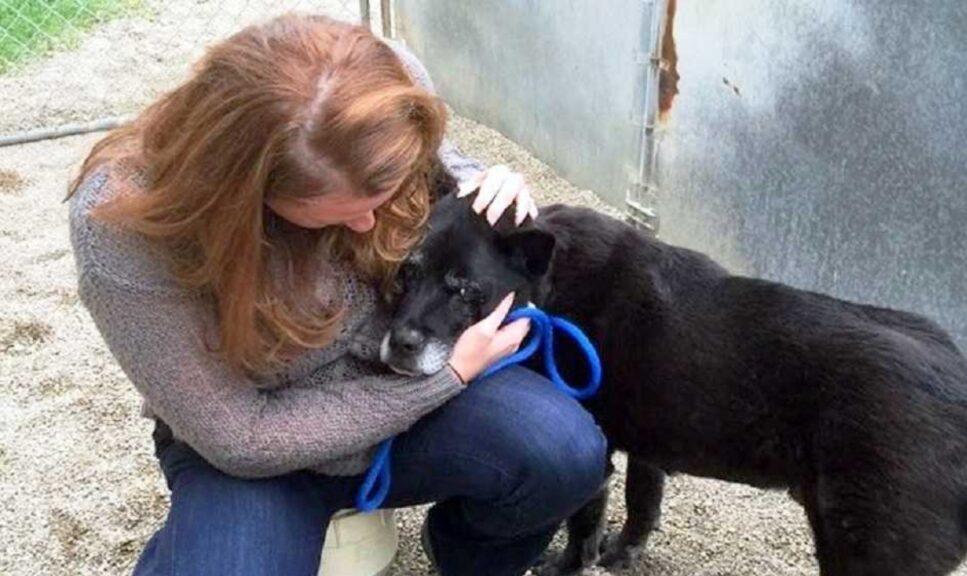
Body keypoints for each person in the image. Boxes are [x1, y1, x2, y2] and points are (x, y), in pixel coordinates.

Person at [67, 13, 606, 576]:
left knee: (565, 454)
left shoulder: (386, 90)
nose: (373, 222)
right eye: (345, 211)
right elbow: (240, 438)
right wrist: (449, 378)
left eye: (381, 197)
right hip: (263, 450)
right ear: (249, 189)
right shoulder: (122, 226)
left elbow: (437, 173)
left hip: (402, 387)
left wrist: (487, 191)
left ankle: (464, 557)